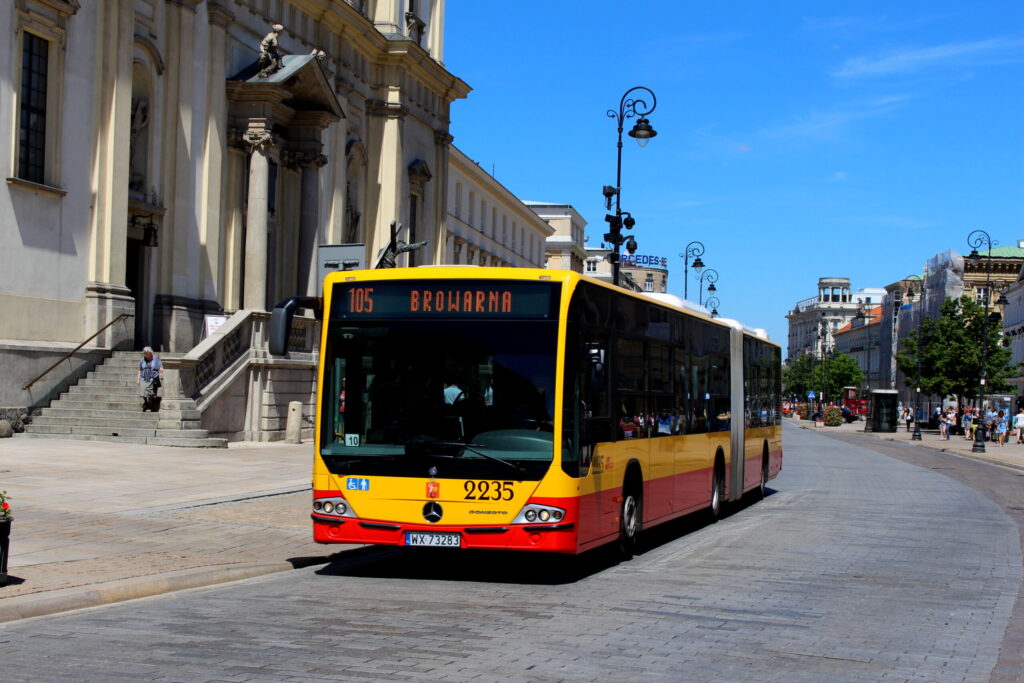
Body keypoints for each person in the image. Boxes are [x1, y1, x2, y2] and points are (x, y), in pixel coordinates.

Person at [136, 346, 163, 412]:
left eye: (146, 354)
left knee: (150, 393)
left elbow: (159, 367)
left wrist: (162, 371)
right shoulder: (142, 360)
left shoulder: (155, 359)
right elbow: (140, 369)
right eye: (144, 354)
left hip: (152, 378)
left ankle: (150, 404)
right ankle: (146, 403)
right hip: (144, 377)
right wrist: (138, 379)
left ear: (150, 353)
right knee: (143, 392)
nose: (145, 355)